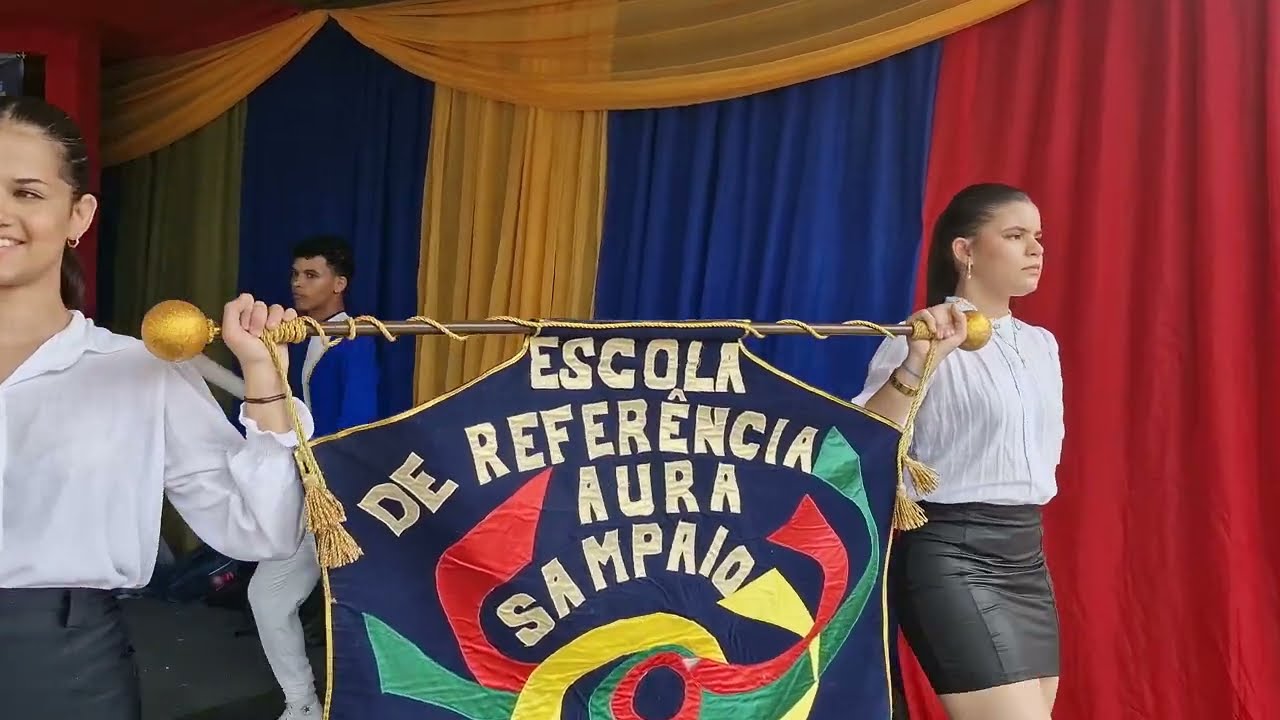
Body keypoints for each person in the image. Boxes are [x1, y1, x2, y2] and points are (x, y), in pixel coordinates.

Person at [0, 97, 312, 718]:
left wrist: (261, 373)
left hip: (58, 666)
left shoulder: (139, 372)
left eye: (27, 193)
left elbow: (262, 530)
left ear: (77, 216)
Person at [857, 183, 1063, 720]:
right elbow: (866, 441)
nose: (1035, 249)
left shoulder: (1042, 344)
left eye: (1037, 237)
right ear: (965, 250)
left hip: (1026, 556)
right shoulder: (917, 338)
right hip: (952, 552)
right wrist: (919, 361)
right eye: (1015, 235)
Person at [248, 234, 380, 719]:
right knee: (272, 597)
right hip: (304, 487)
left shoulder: (356, 338)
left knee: (286, 598)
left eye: (311, 275)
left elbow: (357, 423)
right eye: (295, 275)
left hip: (333, 494)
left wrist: (330, 488)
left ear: (339, 283)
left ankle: (313, 703)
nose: (298, 285)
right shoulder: (297, 336)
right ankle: (304, 702)